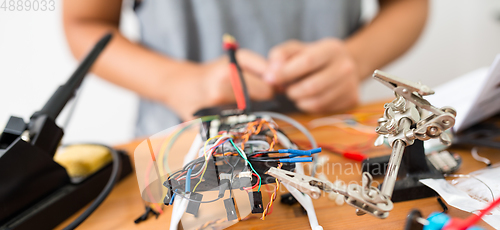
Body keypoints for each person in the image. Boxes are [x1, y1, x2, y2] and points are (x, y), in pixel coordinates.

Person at [62, 0, 429, 137]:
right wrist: (176, 83)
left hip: (330, 136)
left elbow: (411, 4)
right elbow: (84, 22)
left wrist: (357, 58)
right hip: (180, 150)